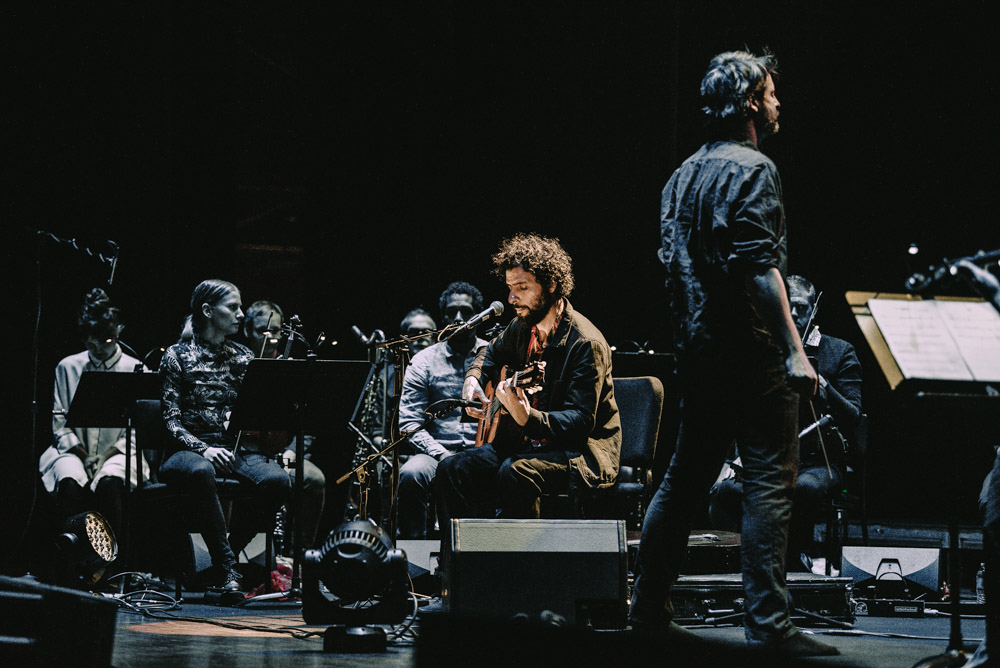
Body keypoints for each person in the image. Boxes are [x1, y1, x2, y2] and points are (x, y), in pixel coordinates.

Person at [628, 50, 839, 656]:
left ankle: (647, 611)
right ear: (750, 102)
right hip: (751, 354)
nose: (779, 103)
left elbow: (673, 268)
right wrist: (796, 352)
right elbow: (757, 268)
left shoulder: (680, 176)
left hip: (698, 355)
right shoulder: (754, 168)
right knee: (771, 482)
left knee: (684, 479)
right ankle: (770, 627)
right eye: (772, 92)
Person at [436, 233, 620, 525]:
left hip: (580, 455)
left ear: (551, 284)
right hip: (529, 445)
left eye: (522, 287)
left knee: (515, 471)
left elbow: (582, 420)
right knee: (451, 469)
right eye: (510, 288)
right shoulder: (522, 327)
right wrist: (473, 379)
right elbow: (490, 354)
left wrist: (528, 417)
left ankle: (519, 566)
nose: (511, 298)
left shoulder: (585, 343)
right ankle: (464, 562)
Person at [708, 275, 863, 571]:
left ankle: (789, 562)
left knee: (800, 488)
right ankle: (752, 563)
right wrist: (728, 462)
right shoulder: (763, 350)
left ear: (814, 311)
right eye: (787, 306)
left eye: (801, 308)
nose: (793, 314)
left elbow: (853, 417)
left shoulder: (840, 352)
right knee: (725, 492)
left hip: (819, 462)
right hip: (768, 459)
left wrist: (823, 385)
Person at [158, 280, 291, 591]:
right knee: (203, 470)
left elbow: (254, 412)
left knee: (277, 481)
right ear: (207, 310)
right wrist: (204, 449)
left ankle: (220, 560)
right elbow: (171, 422)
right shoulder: (176, 355)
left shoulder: (243, 357)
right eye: (233, 307)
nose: (241, 314)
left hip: (232, 449)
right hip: (186, 451)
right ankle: (230, 569)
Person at [39, 288, 149, 545]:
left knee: (109, 483)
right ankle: (71, 563)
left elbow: (138, 428)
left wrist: (104, 456)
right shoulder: (68, 367)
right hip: (75, 451)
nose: (98, 347)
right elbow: (60, 423)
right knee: (69, 481)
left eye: (106, 340)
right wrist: (86, 457)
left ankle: (106, 565)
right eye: (91, 342)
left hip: (120, 453)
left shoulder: (135, 369)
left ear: (118, 330)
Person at [396, 281, 488, 539]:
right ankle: (414, 565)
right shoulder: (424, 360)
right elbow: (409, 423)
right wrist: (443, 454)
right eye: (451, 312)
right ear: (443, 317)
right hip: (437, 454)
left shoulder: (493, 354)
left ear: (479, 316)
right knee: (412, 473)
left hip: (483, 452)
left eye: (466, 312)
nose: (458, 318)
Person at [238, 299, 327, 551]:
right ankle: (253, 557)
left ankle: (303, 557)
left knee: (314, 479)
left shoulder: (292, 369)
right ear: (247, 331)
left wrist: (291, 451)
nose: (272, 337)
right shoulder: (238, 363)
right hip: (244, 453)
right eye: (263, 331)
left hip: (280, 453)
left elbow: (306, 426)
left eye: (277, 331)